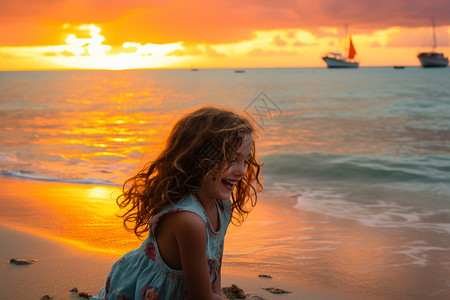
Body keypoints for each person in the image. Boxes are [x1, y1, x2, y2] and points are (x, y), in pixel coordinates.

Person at [91, 106, 263, 300]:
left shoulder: (222, 206)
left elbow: (213, 266)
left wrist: (218, 293)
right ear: (198, 159)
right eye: (232, 160)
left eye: (245, 161)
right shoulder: (189, 221)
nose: (241, 171)